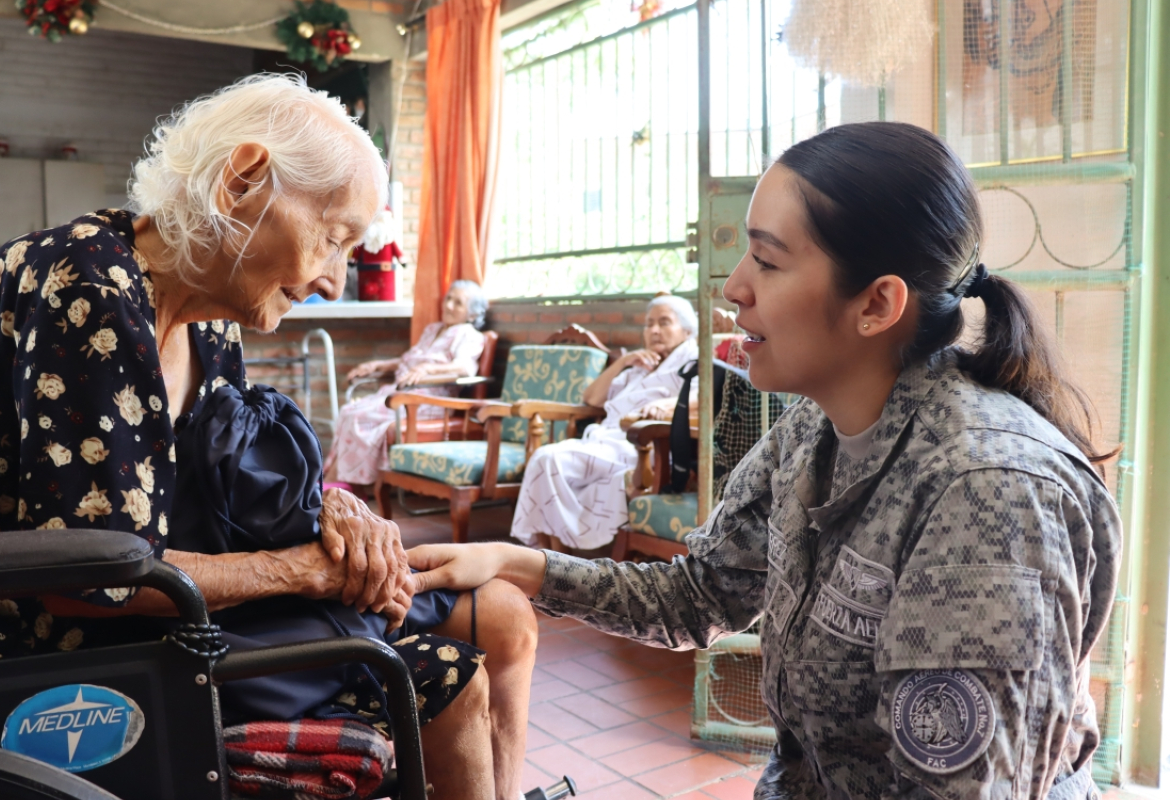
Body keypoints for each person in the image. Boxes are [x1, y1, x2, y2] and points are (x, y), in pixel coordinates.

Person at [407, 122, 1120, 799]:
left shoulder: (987, 496)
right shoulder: (811, 431)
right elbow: (702, 598)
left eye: (769, 261)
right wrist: (512, 562)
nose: (733, 288)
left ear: (877, 304)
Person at [0, 74, 534, 800]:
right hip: (60, 645)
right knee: (449, 677)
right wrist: (308, 570)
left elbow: (238, 483)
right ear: (241, 182)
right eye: (333, 240)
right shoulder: (85, 284)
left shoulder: (210, 318)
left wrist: (339, 510)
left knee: (504, 612)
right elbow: (90, 580)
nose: (336, 280)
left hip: (178, 599)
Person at [510, 294, 697, 554]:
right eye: (649, 323)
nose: (654, 330)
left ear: (687, 330)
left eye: (664, 323)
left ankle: (550, 557)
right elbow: (591, 398)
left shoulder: (694, 365)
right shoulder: (640, 368)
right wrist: (623, 361)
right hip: (603, 442)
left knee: (546, 459)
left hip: (640, 447)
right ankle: (550, 557)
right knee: (547, 463)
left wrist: (667, 406)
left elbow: (702, 399)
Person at [326, 280, 487, 487]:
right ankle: (340, 480)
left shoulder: (469, 335)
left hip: (427, 400)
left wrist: (428, 369)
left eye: (458, 303)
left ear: (472, 314)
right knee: (349, 410)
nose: (449, 306)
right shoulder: (433, 329)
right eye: (449, 298)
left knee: (359, 416)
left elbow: (465, 368)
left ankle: (345, 483)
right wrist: (378, 365)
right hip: (401, 392)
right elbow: (409, 361)